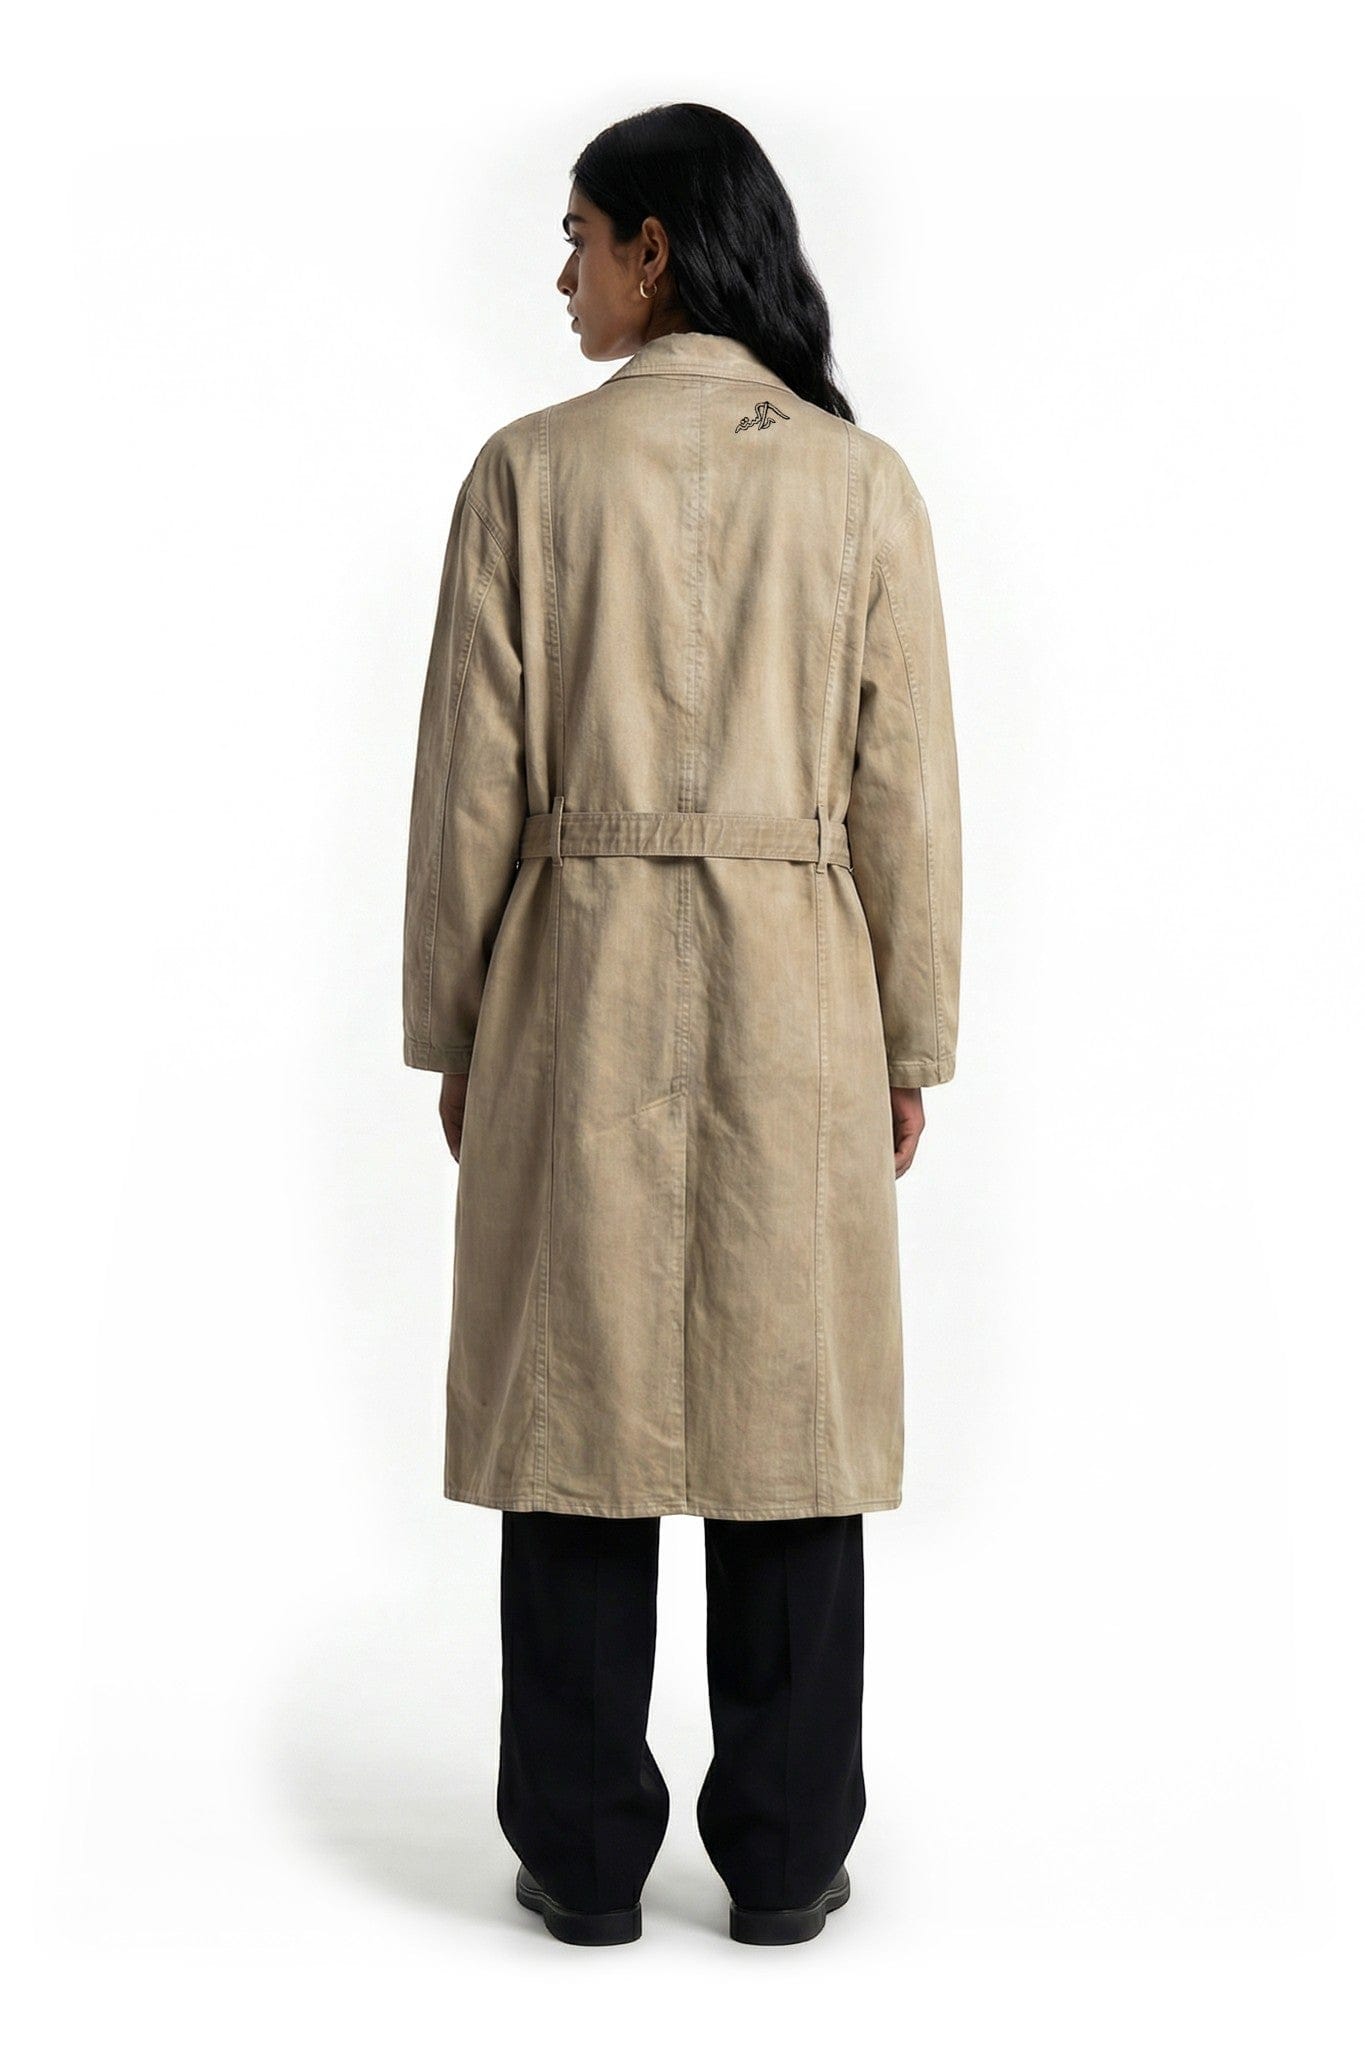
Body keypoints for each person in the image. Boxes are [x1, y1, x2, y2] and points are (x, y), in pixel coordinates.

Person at [401, 103, 962, 1947]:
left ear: (655, 247)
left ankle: (578, 1863)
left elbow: (469, 787)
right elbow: (906, 796)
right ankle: (787, 1862)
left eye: (577, 235)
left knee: (580, 1407)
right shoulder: (858, 483)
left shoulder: (527, 474)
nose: (560, 272)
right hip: (801, 983)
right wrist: (907, 1039)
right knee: (783, 1411)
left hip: (576, 977)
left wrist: (454, 1024)